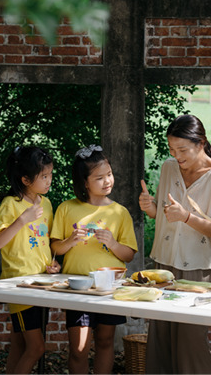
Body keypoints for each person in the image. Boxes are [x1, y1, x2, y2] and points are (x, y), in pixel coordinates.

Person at [139, 114, 211, 375]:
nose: (177, 155)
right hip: (164, 262)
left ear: (201, 143)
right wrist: (152, 209)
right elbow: (166, 213)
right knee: (160, 336)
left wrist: (186, 216)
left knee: (190, 339)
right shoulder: (168, 167)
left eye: (182, 149)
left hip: (198, 266)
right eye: (172, 149)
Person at [50, 145, 138, 375]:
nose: (107, 181)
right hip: (77, 287)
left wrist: (113, 243)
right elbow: (55, 247)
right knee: (78, 348)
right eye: (99, 177)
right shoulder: (66, 208)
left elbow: (129, 254)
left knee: (106, 341)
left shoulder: (120, 212)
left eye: (109, 174)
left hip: (110, 288)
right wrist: (69, 241)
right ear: (84, 182)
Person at [0, 146, 60, 375]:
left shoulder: (47, 204)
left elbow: (45, 243)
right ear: (25, 179)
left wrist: (53, 264)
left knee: (20, 344)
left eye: (50, 174)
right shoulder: (11, 204)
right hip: (20, 285)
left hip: (42, 283)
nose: (49, 180)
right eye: (44, 176)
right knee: (37, 347)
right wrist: (23, 219)